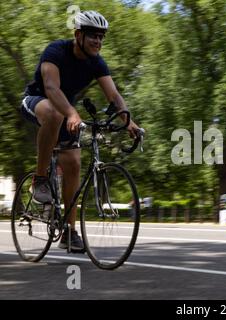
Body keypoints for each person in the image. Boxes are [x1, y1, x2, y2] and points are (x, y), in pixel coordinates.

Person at [20, 11, 140, 253]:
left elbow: (114, 95)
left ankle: (69, 232)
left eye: (101, 37)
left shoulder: (96, 62)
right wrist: (72, 113)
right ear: (78, 35)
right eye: (92, 36)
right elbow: (51, 87)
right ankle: (40, 179)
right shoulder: (56, 51)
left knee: (74, 163)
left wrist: (128, 121)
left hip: (65, 110)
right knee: (54, 114)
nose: (98, 41)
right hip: (37, 100)